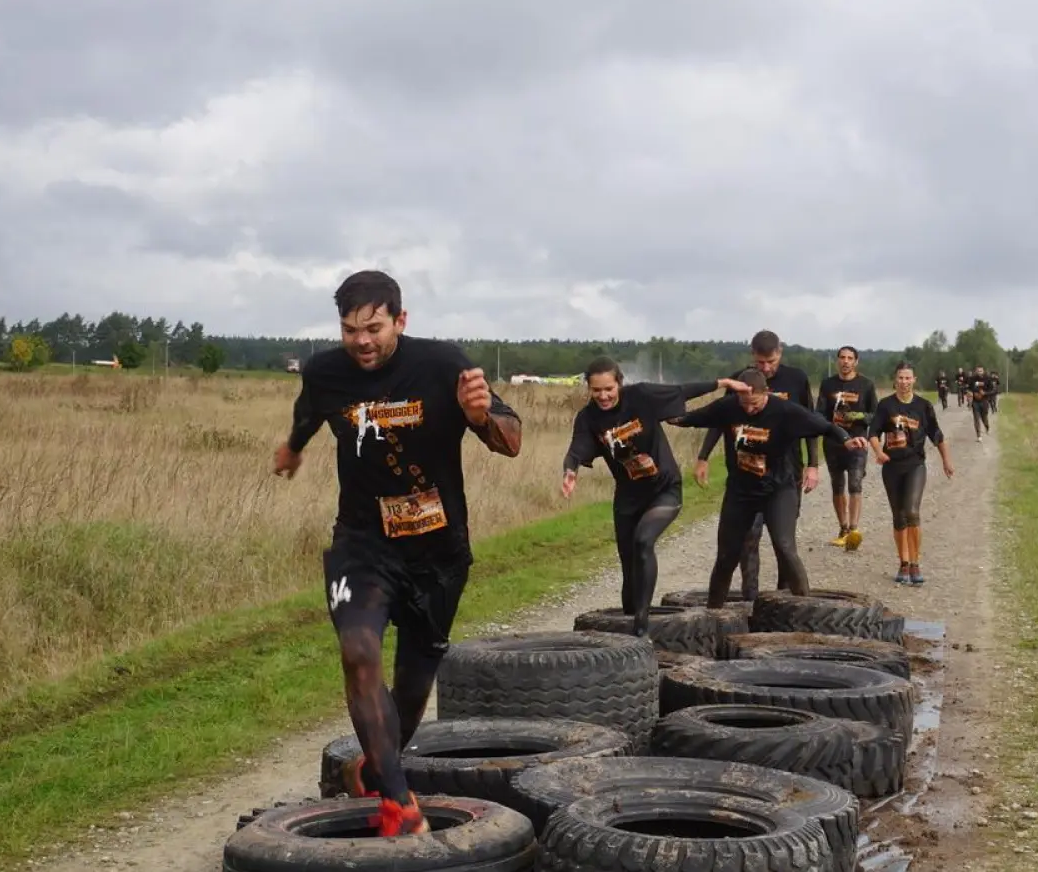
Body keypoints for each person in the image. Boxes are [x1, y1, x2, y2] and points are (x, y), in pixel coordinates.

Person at [272, 270, 523, 837]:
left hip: (438, 553)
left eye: (374, 328)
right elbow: (309, 413)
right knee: (358, 651)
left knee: (410, 693)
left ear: (400, 321)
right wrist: (292, 448)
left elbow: (512, 441)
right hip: (362, 543)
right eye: (350, 329)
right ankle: (397, 801)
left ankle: (375, 766)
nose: (362, 341)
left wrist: (482, 417)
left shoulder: (440, 365)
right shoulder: (324, 372)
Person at [561, 358, 750, 635]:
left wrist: (722, 383)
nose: (603, 396)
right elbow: (577, 448)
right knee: (629, 566)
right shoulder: (588, 418)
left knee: (643, 540)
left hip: (664, 489)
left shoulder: (641, 397)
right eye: (596, 390)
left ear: (619, 384)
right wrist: (570, 469)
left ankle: (641, 624)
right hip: (628, 497)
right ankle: (628, 628)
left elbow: (681, 390)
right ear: (589, 389)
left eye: (609, 389)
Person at [668, 368, 867, 607]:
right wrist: (668, 416)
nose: (749, 410)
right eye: (744, 404)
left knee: (784, 547)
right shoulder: (729, 407)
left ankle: (807, 610)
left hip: (778, 489)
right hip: (741, 492)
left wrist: (846, 439)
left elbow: (823, 426)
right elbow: (693, 418)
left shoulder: (784, 410)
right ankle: (714, 614)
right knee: (726, 556)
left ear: (766, 393)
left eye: (754, 404)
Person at [692, 330, 818, 600]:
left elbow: (810, 423)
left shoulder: (796, 379)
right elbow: (718, 420)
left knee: (783, 543)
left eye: (770, 362)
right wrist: (703, 456)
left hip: (786, 473)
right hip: (746, 473)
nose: (766, 368)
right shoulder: (739, 381)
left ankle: (787, 601)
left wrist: (813, 465)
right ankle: (750, 600)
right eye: (761, 362)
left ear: (780, 353)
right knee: (747, 541)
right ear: (752, 356)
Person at [869, 361, 954, 586]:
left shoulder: (924, 406)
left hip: (915, 464)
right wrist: (878, 451)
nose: (904, 382)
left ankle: (916, 563)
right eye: (901, 378)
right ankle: (903, 563)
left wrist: (946, 460)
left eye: (908, 378)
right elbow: (873, 432)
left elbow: (936, 434)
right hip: (892, 466)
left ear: (914, 380)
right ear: (895, 380)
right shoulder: (886, 405)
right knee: (899, 517)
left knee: (912, 512)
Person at [816, 346, 877, 550]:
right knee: (837, 485)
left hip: (858, 440)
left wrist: (858, 416)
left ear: (856, 362)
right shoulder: (827, 384)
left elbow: (874, 415)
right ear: (837, 361)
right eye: (842, 357)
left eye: (850, 358)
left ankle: (853, 530)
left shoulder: (866, 385)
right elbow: (820, 414)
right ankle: (842, 528)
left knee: (855, 484)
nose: (846, 361)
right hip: (833, 442)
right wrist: (828, 425)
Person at [967, 364, 993, 441]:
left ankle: (987, 426)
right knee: (976, 419)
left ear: (983, 371)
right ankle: (978, 436)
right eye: (978, 371)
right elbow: (968, 389)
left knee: (984, 418)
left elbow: (993, 390)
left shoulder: (988, 379)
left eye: (981, 371)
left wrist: (985, 393)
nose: (979, 372)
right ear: (976, 371)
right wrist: (970, 394)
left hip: (984, 401)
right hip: (975, 402)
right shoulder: (972, 379)